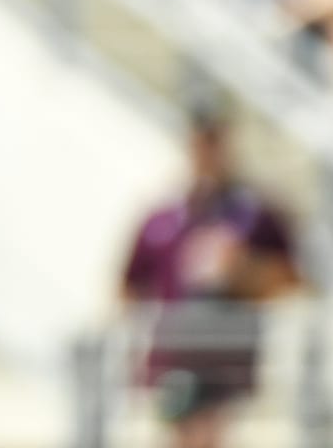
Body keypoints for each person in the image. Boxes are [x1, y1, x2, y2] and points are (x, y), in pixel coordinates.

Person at [121, 105, 300, 448]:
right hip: (173, 355)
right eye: (200, 143)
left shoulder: (255, 215)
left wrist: (243, 269)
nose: (207, 154)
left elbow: (291, 281)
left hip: (225, 359)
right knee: (180, 433)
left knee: (209, 433)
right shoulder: (163, 216)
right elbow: (128, 286)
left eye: (214, 143)